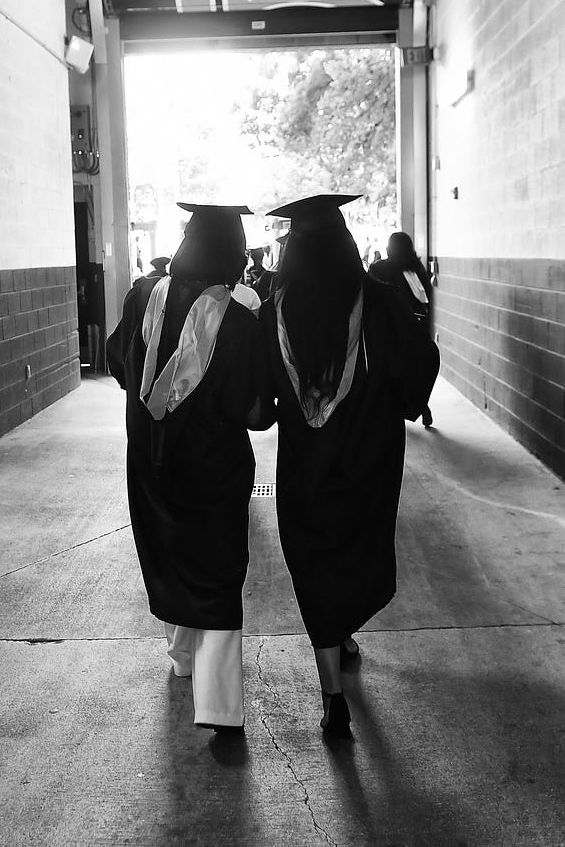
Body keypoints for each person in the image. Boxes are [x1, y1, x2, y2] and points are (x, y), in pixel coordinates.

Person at [261, 194, 439, 736]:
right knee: (353, 554)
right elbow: (418, 371)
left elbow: (261, 400)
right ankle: (343, 636)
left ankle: (332, 693)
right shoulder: (378, 301)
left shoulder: (277, 307)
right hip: (366, 464)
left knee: (314, 561)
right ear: (343, 245)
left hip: (302, 468)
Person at [106, 203, 272, 733]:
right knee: (218, 571)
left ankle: (181, 658)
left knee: (172, 550)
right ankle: (219, 706)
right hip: (214, 468)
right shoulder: (240, 321)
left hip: (151, 459)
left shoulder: (141, 296)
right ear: (233, 252)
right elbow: (256, 413)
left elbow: (115, 363)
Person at [369, 231, 435, 426]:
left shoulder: (380, 268)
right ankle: (422, 405)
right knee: (415, 369)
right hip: (418, 328)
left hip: (389, 330)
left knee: (392, 372)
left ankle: (397, 409)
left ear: (390, 248)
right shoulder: (418, 268)